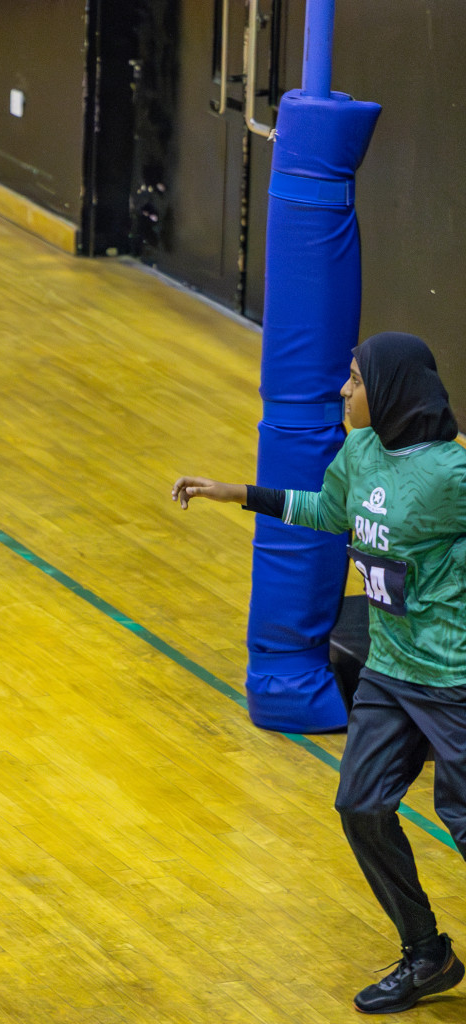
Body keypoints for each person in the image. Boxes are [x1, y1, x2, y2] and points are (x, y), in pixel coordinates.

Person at [172, 332, 466, 1014]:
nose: (342, 391)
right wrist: (236, 492)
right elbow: (330, 512)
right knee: (360, 806)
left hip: (452, 679)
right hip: (390, 672)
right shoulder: (359, 450)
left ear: (389, 390)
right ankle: (427, 955)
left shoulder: (451, 476)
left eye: (355, 380)